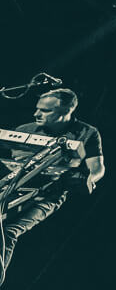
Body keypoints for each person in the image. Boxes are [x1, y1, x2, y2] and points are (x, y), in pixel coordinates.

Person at [1, 88, 105, 272]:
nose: (36, 114)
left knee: (9, 231)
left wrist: (85, 179)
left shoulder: (87, 132)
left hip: (48, 195)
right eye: (37, 108)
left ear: (67, 111)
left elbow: (97, 168)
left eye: (45, 110)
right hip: (11, 187)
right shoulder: (25, 130)